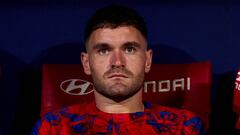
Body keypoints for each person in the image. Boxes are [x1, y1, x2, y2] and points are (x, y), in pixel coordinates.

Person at [31, 5, 205, 135]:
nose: (117, 62)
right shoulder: (54, 126)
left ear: (147, 60)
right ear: (86, 63)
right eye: (103, 50)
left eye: (129, 49)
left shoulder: (183, 126)